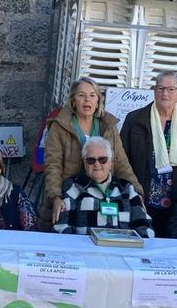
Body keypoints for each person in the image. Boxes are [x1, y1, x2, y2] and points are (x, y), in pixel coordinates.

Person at [43, 77, 141, 229]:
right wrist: (56, 196)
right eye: (81, 95)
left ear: (98, 101)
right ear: (73, 101)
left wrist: (137, 192)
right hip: (71, 194)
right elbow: (52, 165)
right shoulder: (59, 127)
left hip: (103, 194)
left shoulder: (108, 126)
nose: (87, 100)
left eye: (92, 95)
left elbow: (121, 162)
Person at [120, 71, 177, 237]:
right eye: (161, 88)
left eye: (171, 89)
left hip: (176, 202)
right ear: (154, 91)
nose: (165, 93)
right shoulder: (135, 120)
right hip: (140, 198)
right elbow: (121, 160)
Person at [53, 136, 154, 237]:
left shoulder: (127, 189)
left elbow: (144, 225)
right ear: (84, 163)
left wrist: (133, 245)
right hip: (87, 249)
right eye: (91, 160)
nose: (97, 164)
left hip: (122, 250)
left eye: (102, 159)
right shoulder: (74, 188)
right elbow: (62, 226)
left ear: (110, 162)